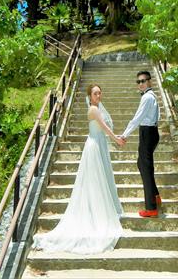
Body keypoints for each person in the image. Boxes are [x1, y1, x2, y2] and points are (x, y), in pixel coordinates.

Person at [32, 83, 124, 254]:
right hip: (94, 146)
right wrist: (117, 139)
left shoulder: (97, 107)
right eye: (95, 93)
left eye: (100, 93)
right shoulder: (94, 110)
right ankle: (96, 213)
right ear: (90, 96)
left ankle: (100, 209)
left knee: (101, 179)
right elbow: (104, 128)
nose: (98, 95)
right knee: (95, 180)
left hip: (99, 144)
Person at [119, 70, 161, 218]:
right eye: (138, 82)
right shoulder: (151, 96)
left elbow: (137, 119)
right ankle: (155, 195)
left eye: (143, 81)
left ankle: (151, 208)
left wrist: (124, 135)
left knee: (145, 167)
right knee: (142, 164)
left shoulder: (147, 98)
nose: (141, 84)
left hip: (147, 133)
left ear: (149, 81)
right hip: (151, 132)